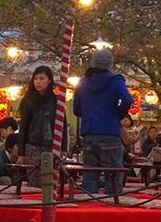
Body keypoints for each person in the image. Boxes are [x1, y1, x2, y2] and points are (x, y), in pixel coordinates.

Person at [72, 49, 135, 197]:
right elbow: (127, 99)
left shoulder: (83, 82)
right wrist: (118, 114)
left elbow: (76, 109)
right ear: (110, 63)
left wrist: (87, 115)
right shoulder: (115, 81)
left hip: (89, 131)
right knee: (113, 175)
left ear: (93, 62)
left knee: (90, 174)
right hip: (109, 132)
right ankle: (112, 203)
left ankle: (89, 202)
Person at [14, 65, 59, 180]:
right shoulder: (29, 101)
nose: (38, 82)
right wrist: (21, 152)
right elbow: (23, 126)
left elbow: (61, 125)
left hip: (52, 147)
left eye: (42, 78)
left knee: (50, 181)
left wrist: (63, 148)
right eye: (35, 78)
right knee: (34, 180)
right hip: (33, 146)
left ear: (49, 80)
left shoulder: (56, 101)